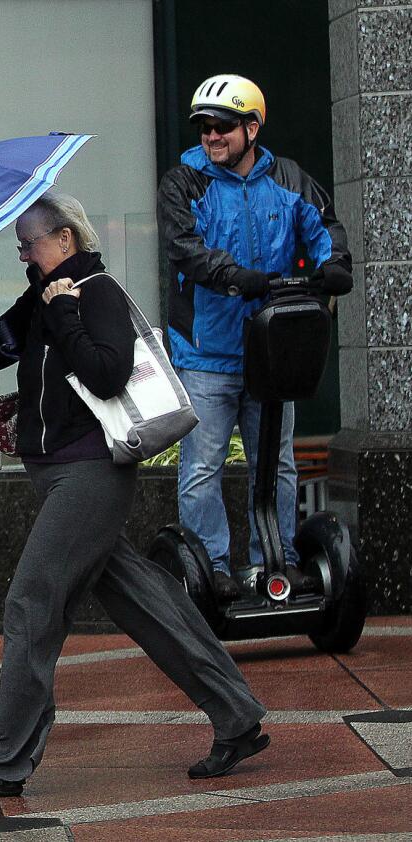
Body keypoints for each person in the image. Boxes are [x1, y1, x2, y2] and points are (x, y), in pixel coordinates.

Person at [0, 192, 269, 797]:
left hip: (91, 473)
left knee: (31, 603)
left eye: (30, 241)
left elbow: (108, 372)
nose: (22, 250)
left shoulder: (97, 291)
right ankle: (236, 717)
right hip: (57, 471)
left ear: (64, 238)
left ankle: (3, 761)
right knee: (145, 599)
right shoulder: (41, 295)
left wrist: (63, 314)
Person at [157, 74, 352, 601]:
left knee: (278, 462)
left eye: (221, 126)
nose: (210, 136)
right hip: (206, 355)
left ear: (252, 127)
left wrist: (334, 263)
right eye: (203, 127)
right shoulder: (185, 183)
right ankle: (211, 571)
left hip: (272, 354)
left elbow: (325, 226)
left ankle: (274, 566)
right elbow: (186, 248)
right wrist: (233, 276)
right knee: (202, 466)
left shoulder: (287, 178)